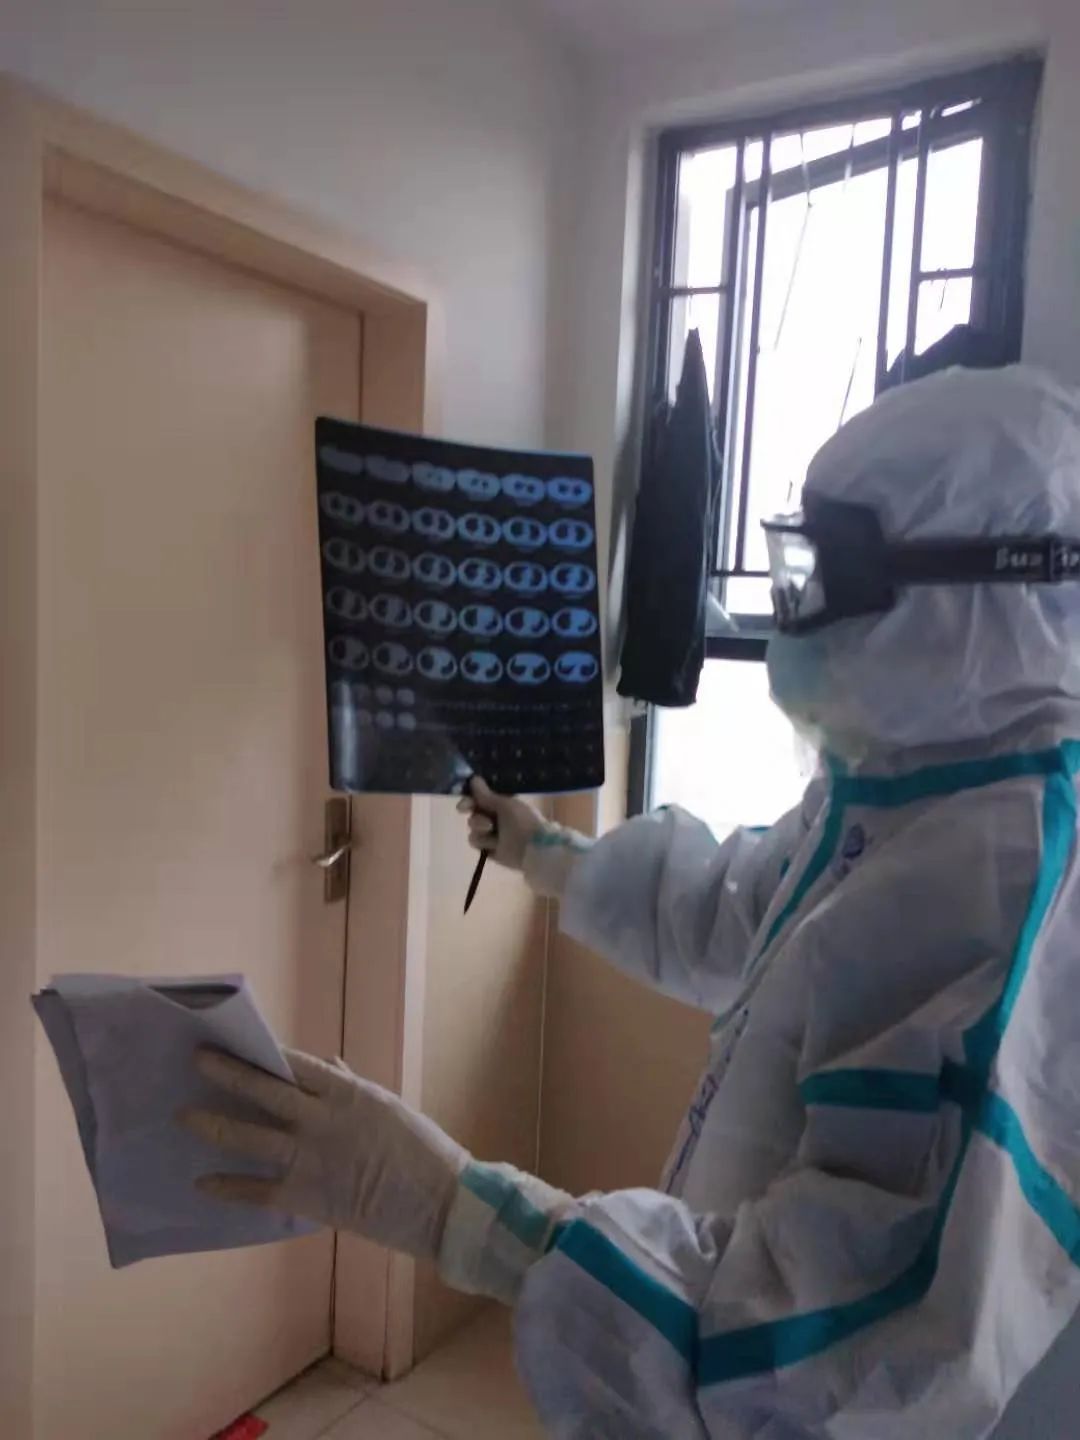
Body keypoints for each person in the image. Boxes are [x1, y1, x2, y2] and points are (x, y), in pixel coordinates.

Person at [181, 365, 1080, 1439]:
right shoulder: (901, 791)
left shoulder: (1009, 876)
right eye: (788, 567)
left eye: (820, 574)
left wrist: (459, 1210)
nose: (787, 615)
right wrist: (548, 855)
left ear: (986, 597)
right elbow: (742, 915)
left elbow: (825, 1352)